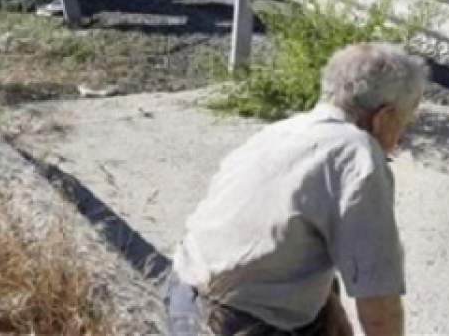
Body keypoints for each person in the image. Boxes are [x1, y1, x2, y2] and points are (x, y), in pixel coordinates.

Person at [165, 43, 426, 336]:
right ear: (385, 117)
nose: (402, 137)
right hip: (237, 322)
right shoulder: (359, 155)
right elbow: (380, 306)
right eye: (406, 121)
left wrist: (331, 306)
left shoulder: (283, 131)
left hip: (184, 298)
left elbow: (289, 237)